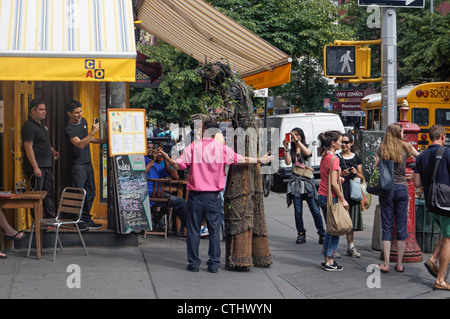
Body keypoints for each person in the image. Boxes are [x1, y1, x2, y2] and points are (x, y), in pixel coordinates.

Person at [172, 121, 273, 273]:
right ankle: (213, 264)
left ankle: (193, 264)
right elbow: (241, 159)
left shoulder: (193, 147)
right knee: (214, 231)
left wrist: (168, 158)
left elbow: (179, 165)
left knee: (193, 230)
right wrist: (260, 160)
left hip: (195, 197)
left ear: (203, 130)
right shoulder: (221, 149)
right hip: (213, 197)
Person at [376, 123, 418, 274]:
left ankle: (386, 263)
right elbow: (420, 158)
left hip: (387, 189)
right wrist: (413, 175)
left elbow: (375, 168)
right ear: (397, 133)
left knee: (387, 226)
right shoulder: (406, 147)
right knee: (401, 227)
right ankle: (399, 264)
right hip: (402, 188)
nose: (403, 133)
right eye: (401, 131)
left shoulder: (382, 148)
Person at [413, 125, 450, 290]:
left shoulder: (421, 157)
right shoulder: (448, 153)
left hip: (431, 203)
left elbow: (417, 183)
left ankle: (433, 258)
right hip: (446, 204)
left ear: (429, 137)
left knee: (445, 234)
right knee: (449, 239)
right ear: (442, 136)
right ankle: (440, 280)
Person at [65, 100, 104, 230]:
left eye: (80, 111)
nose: (79, 114)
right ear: (69, 113)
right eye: (76, 113)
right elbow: (81, 144)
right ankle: (78, 220)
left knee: (91, 191)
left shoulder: (85, 122)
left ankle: (87, 219)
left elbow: (88, 139)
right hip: (78, 165)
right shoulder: (69, 128)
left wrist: (102, 141)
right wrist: (92, 132)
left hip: (87, 162)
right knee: (79, 192)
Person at [284, 128, 325, 244]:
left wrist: (297, 141)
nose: (295, 137)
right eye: (293, 135)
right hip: (296, 184)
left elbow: (307, 153)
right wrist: (286, 148)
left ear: (301, 136)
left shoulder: (306, 147)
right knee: (298, 211)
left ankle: (322, 233)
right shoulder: (292, 150)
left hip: (307, 183)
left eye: (297, 135)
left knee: (315, 210)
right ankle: (301, 233)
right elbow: (287, 162)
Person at [21, 98, 59, 218]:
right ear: (32, 111)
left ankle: (50, 220)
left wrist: (52, 150)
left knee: (48, 193)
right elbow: (28, 147)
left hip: (47, 165)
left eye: (45, 109)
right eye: (41, 109)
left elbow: (43, 142)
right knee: (37, 195)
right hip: (37, 167)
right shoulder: (29, 126)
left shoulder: (42, 125)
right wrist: (35, 167)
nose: (44, 112)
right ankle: (37, 223)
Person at [317, 130, 348, 271]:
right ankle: (330, 260)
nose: (342, 144)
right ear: (333, 143)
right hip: (332, 198)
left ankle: (326, 259)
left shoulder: (324, 156)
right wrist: (343, 199)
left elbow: (328, 177)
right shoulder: (334, 159)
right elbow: (334, 184)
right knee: (335, 229)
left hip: (322, 195)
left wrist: (339, 176)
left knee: (330, 228)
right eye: (340, 141)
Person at [145, 141, 187, 229]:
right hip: (149, 193)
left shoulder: (156, 165)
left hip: (158, 194)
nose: (151, 150)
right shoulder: (143, 159)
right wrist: (152, 160)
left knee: (173, 203)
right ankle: (191, 228)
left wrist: (165, 157)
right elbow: (142, 173)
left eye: (153, 148)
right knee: (181, 202)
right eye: (149, 148)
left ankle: (156, 220)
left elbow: (168, 172)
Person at [338, 132, 364, 258]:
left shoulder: (356, 158)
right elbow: (333, 176)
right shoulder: (337, 157)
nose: (344, 144)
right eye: (342, 142)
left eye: (346, 142)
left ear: (351, 143)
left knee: (350, 223)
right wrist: (341, 174)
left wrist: (355, 172)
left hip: (352, 192)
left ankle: (351, 247)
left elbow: (362, 177)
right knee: (338, 221)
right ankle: (334, 248)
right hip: (341, 191)